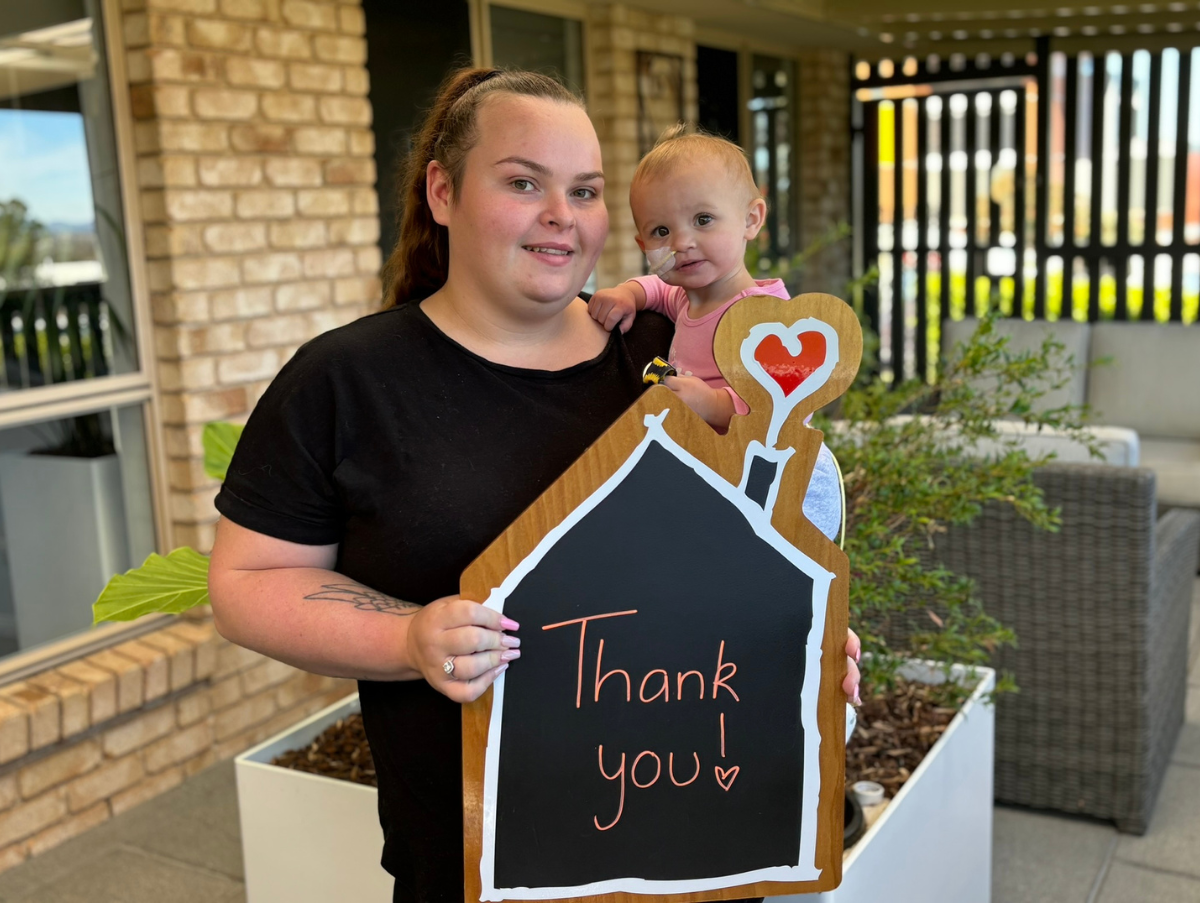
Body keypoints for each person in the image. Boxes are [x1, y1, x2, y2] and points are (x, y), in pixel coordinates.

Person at [207, 68, 862, 902]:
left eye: (585, 191)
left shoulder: (667, 347)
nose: (562, 216)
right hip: (477, 866)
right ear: (442, 192)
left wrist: (801, 641)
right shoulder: (348, 380)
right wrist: (409, 638)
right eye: (524, 183)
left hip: (700, 850)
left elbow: (758, 537)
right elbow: (247, 583)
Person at [587, 125, 843, 539]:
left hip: (770, 483)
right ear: (641, 244)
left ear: (751, 219)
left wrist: (716, 403)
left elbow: (788, 405)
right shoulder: (688, 296)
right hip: (708, 468)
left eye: (703, 219)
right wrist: (628, 294)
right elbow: (658, 289)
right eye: (660, 231)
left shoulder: (767, 317)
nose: (682, 242)